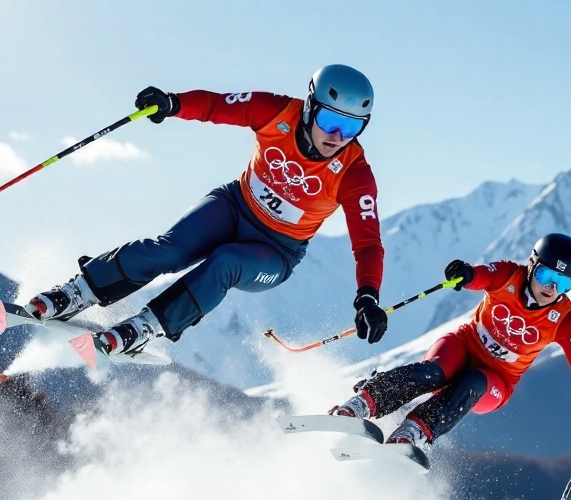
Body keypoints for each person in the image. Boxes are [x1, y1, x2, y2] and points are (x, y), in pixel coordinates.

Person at [25, 66, 387, 357]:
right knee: (170, 249)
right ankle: (79, 291)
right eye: (330, 122)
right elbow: (217, 106)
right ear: (310, 108)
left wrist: (367, 296)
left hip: (276, 252)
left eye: (352, 127)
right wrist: (172, 103)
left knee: (226, 261)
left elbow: (368, 244)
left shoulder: (355, 174)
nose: (338, 137)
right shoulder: (277, 112)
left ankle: (148, 326)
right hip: (234, 206)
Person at [329, 234, 571, 468]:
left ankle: (411, 433)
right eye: (547, 275)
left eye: (564, 283)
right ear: (532, 266)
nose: (551, 288)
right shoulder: (509, 275)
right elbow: (483, 275)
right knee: (433, 373)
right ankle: (362, 402)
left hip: (495, 381)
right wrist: (466, 274)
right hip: (463, 346)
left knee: (471, 381)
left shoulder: (563, 320)